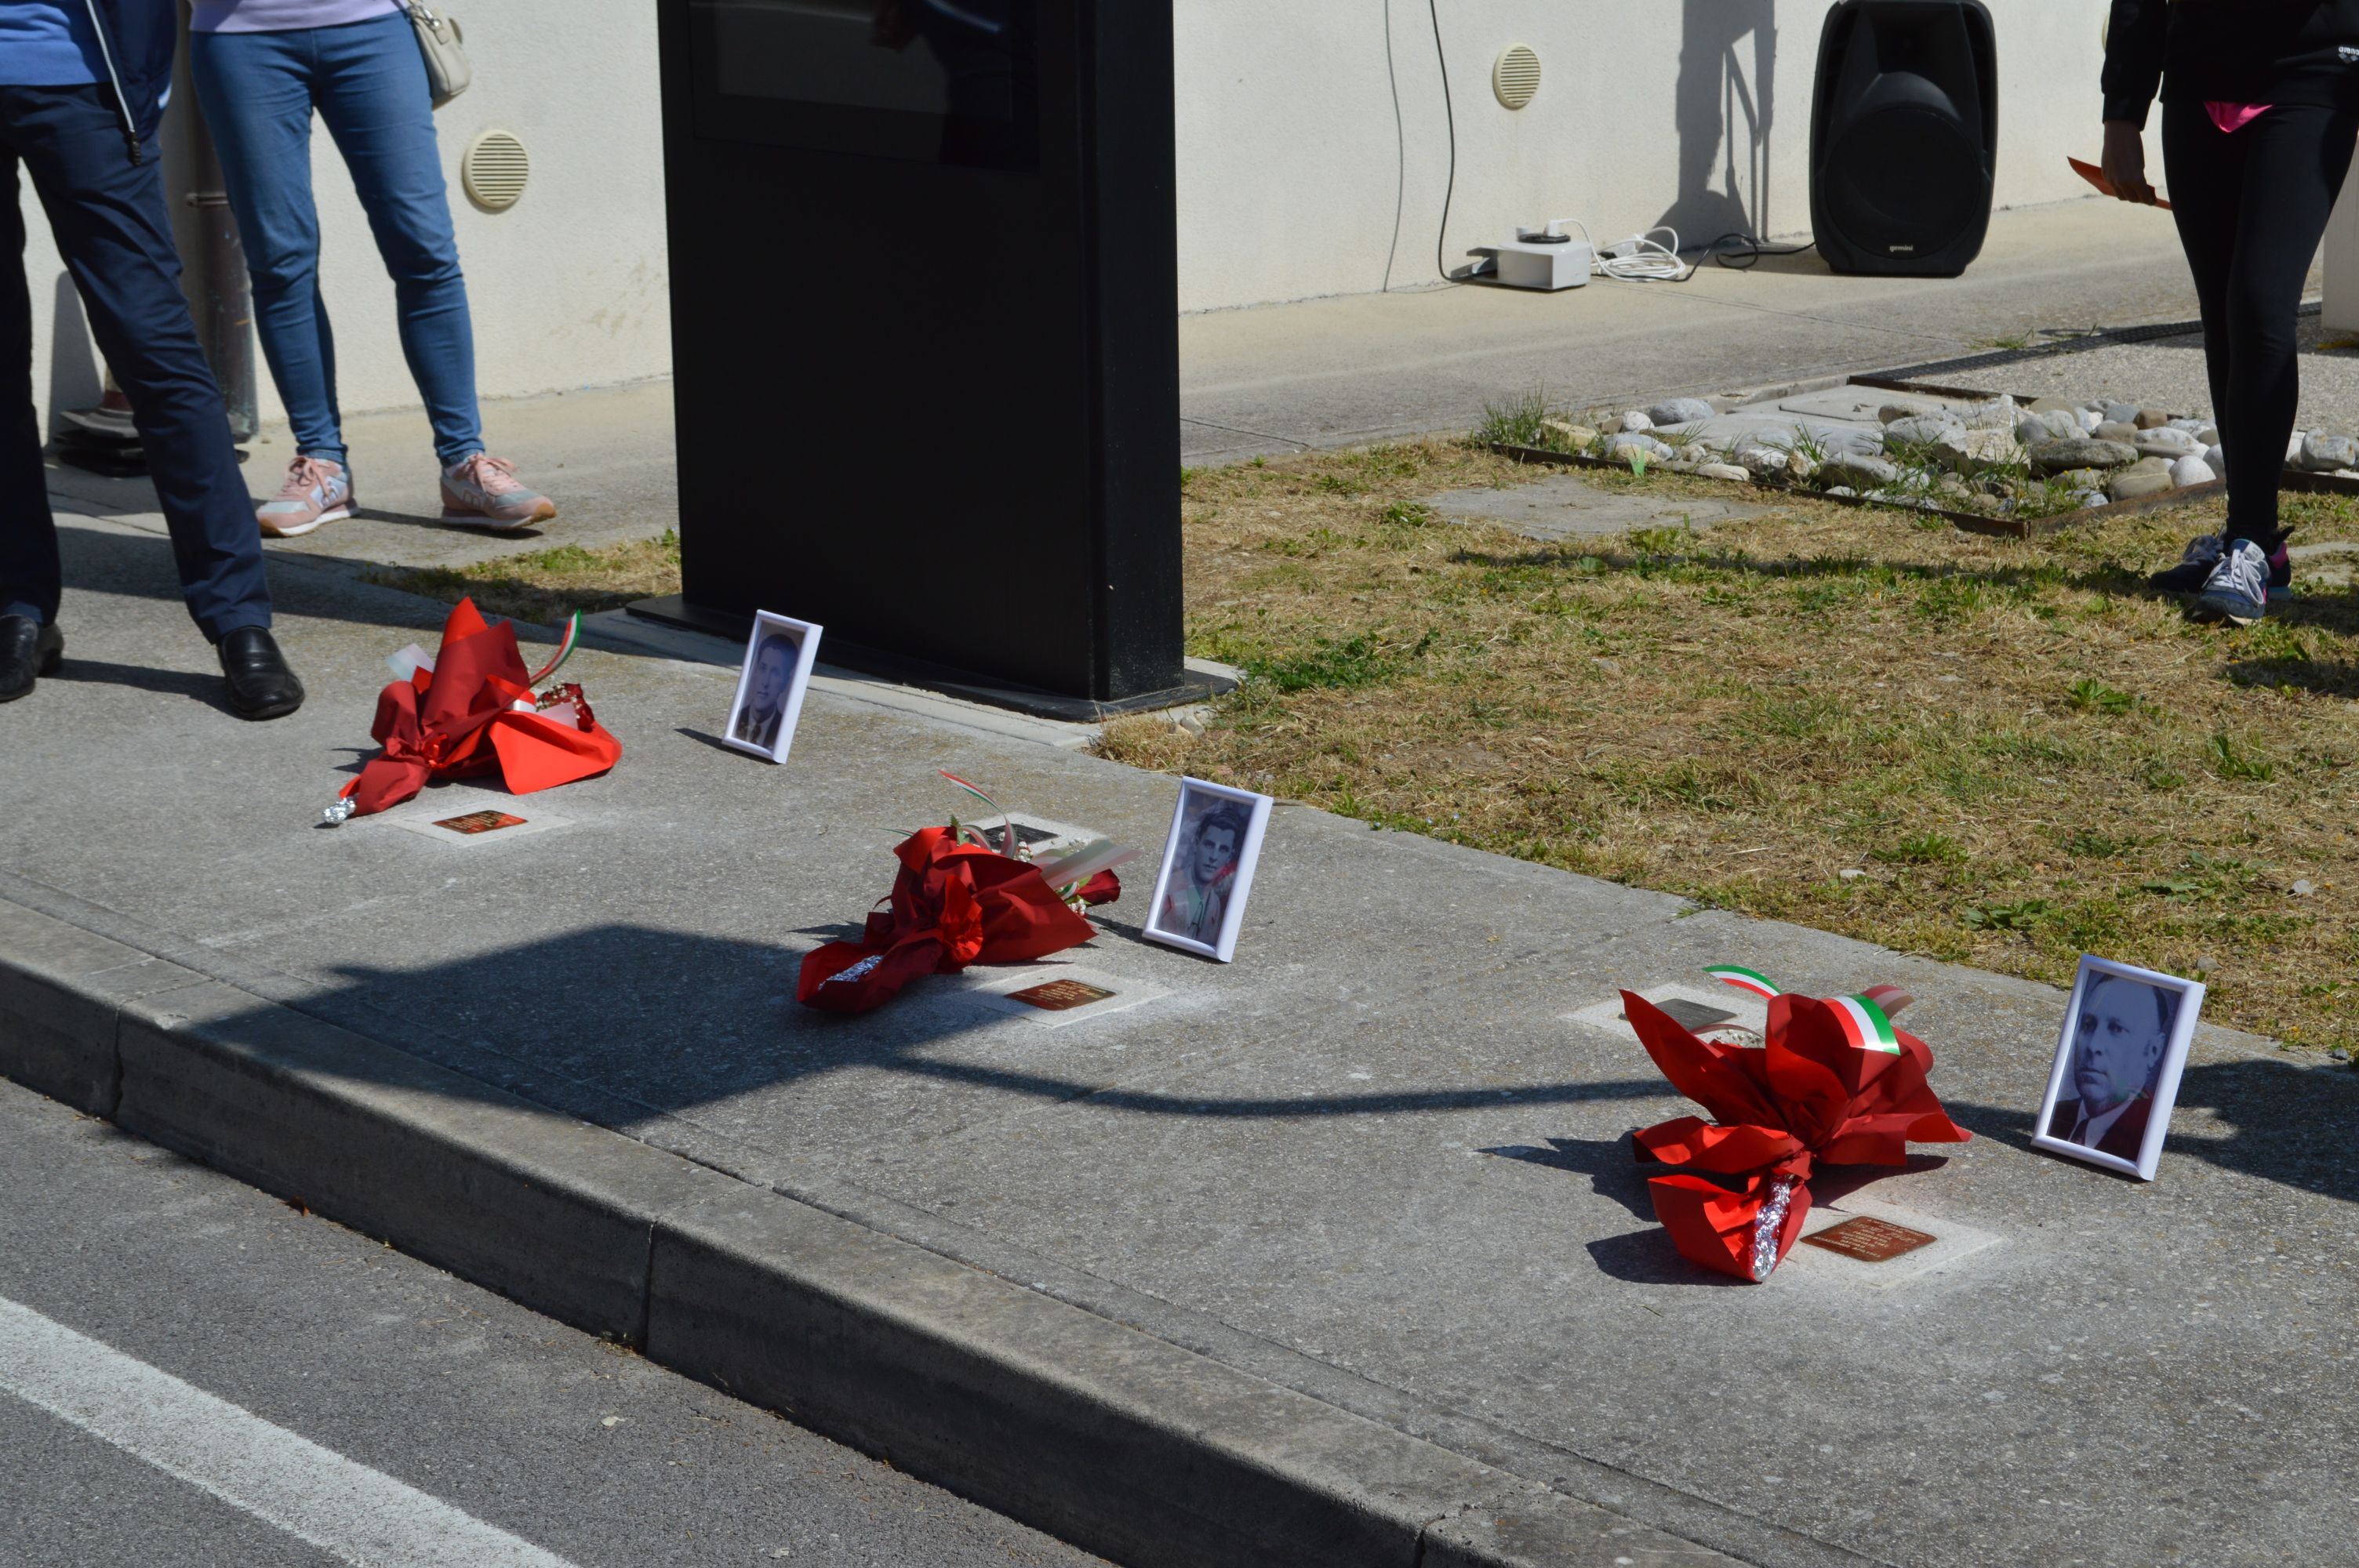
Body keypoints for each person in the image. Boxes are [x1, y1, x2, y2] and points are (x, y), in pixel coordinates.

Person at [2, 0, 304, 717]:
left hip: (86, 83)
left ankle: (239, 619)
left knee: (157, 353)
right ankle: (17, 608)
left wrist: (143, 80)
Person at [186, 0, 556, 538]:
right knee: (280, 260)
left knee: (424, 250)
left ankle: (463, 464)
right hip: (240, 37)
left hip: (370, 28)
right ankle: (323, 466)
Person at [2102, 1, 2359, 626]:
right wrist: (2122, 115)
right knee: (2222, 313)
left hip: (2311, 75)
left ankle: (2250, 538)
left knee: (2259, 302)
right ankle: (2255, 546)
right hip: (2197, 78)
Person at [2044, 975, 2175, 1163]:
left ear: (2153, 1050)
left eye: (2117, 1029)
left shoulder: (2145, 1137)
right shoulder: (2055, 1117)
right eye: (2088, 1025)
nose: (2093, 1044)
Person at [1158, 801, 1248, 945]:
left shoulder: (1214, 903)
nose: (1214, 857)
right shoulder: (1168, 890)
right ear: (1196, 844)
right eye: (1209, 845)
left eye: (1223, 849)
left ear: (1230, 856)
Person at [732, 633, 795, 751]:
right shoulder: (735, 720)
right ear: (755, 671)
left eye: (775, 672)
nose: (765, 682)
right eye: (763, 668)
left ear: (785, 683)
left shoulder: (782, 731)